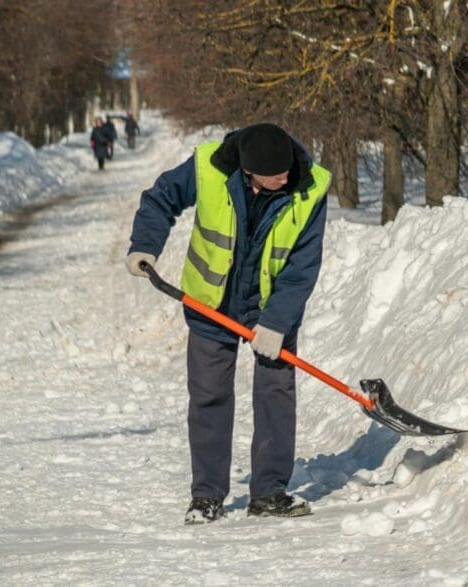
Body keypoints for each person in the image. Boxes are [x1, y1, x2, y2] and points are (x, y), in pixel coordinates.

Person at [125, 123, 331, 525]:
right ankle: (207, 495)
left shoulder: (309, 188)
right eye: (274, 176)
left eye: (286, 170)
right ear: (248, 172)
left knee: (275, 395)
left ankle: (269, 492)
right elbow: (161, 197)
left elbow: (303, 267)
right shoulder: (209, 167)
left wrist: (276, 323)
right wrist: (145, 245)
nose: (284, 178)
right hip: (211, 303)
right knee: (208, 396)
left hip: (272, 309)